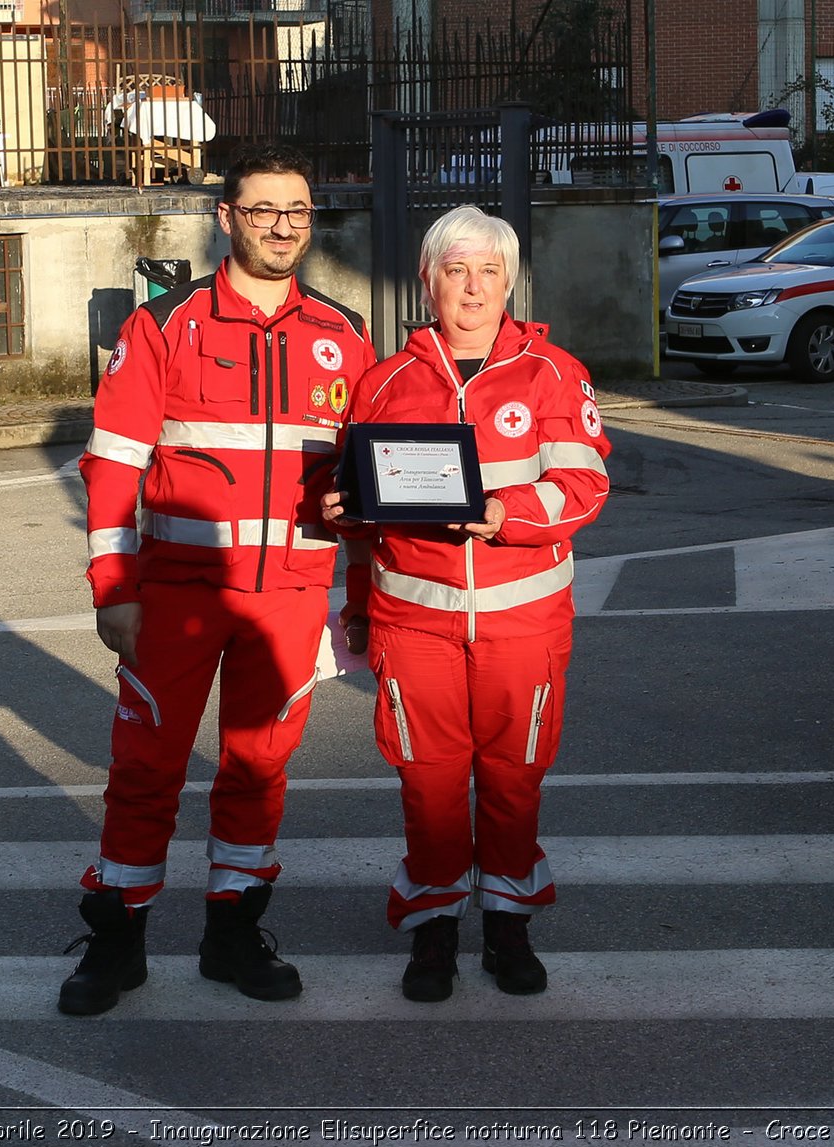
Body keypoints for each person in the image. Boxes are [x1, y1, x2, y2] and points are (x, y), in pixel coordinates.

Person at [59, 143, 376, 1016]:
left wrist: (363, 585)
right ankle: (117, 940)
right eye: (265, 209)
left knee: (257, 770)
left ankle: (233, 931)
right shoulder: (164, 325)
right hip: (175, 596)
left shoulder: (344, 336)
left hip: (292, 596)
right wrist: (112, 586)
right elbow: (114, 464)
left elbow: (370, 474)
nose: (283, 226)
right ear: (226, 217)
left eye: (299, 211)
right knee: (146, 764)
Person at [322, 205, 611, 1002]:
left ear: (510, 280)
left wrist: (504, 513)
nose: (473, 287)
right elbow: (354, 514)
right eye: (457, 271)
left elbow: (585, 487)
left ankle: (509, 924)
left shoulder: (556, 375)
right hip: (413, 624)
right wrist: (344, 523)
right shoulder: (383, 382)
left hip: (525, 627)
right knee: (429, 783)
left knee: (515, 780)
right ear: (429, 282)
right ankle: (436, 929)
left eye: (488, 271)